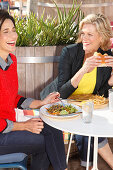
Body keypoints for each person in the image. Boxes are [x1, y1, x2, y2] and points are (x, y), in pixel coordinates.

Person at [0, 9, 67, 170]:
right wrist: (23, 126)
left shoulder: (10, 61)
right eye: (6, 32)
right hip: (3, 133)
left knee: (53, 127)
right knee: (45, 143)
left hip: (9, 125)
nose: (13, 36)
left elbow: (12, 98)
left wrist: (40, 103)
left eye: (14, 30)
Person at [57, 13, 113, 169]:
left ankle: (88, 165)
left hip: (87, 106)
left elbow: (100, 94)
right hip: (64, 104)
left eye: (90, 34)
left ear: (102, 37)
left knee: (89, 119)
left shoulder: (106, 56)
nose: (84, 38)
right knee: (88, 121)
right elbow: (62, 93)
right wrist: (83, 70)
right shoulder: (69, 52)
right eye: (82, 33)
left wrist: (110, 81)